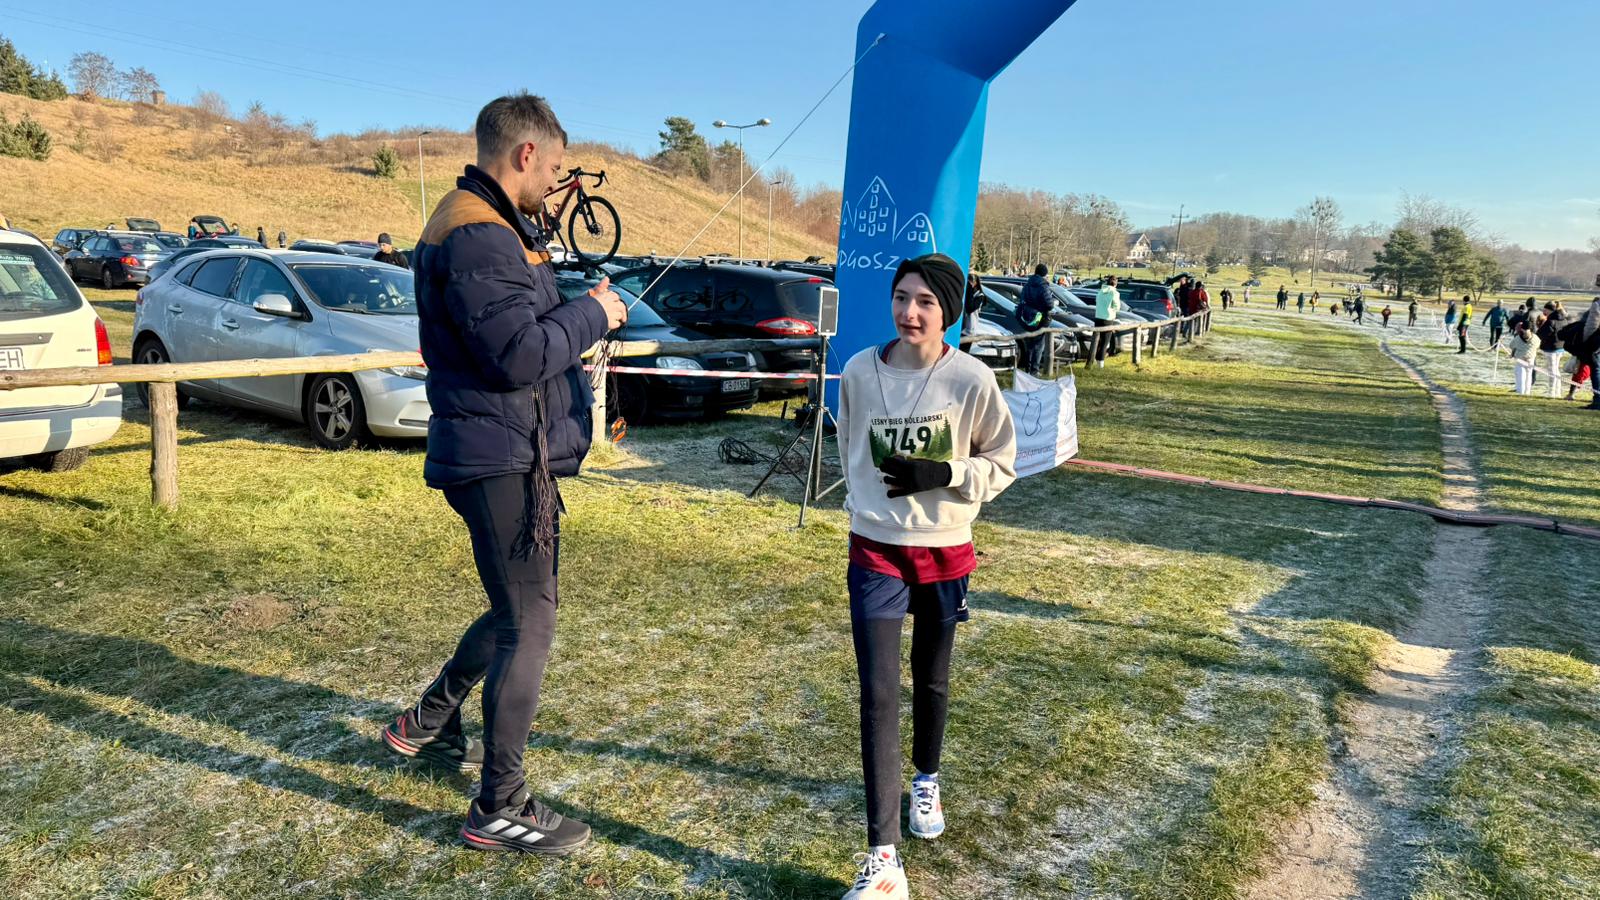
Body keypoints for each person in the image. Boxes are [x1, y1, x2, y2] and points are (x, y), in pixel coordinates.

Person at [380, 92, 628, 856]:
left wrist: (580, 309)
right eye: (554, 169)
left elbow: (524, 330)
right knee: (530, 620)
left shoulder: (495, 225)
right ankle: (500, 803)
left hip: (510, 449)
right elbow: (519, 355)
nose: (556, 183)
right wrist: (595, 315)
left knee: (516, 606)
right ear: (526, 155)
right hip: (499, 455)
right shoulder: (477, 235)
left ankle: (430, 718)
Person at [835, 253, 1016, 900]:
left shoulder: (970, 379)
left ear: (948, 312)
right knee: (879, 695)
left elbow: (1003, 461)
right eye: (900, 297)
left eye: (925, 302)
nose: (908, 312)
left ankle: (926, 780)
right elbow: (848, 446)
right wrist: (871, 505)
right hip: (876, 550)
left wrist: (945, 473)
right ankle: (882, 857)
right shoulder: (859, 371)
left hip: (944, 552)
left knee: (931, 679)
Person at [1017, 263, 1055, 375]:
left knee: (1029, 344)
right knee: (1038, 345)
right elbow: (1049, 304)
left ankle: (1028, 369)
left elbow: (1022, 300)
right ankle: (1034, 370)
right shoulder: (1043, 286)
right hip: (1040, 318)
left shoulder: (1027, 285)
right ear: (1044, 274)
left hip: (1028, 317)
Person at [1536, 301, 1568, 398]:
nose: (1544, 312)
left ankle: (1551, 392)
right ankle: (1557, 391)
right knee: (1556, 369)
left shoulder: (1551, 321)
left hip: (1551, 348)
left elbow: (1541, 334)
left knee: (1552, 371)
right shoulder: (1563, 319)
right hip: (1560, 347)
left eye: (1545, 310)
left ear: (1549, 310)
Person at [1093, 274, 1122, 368]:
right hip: (1108, 318)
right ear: (1115, 283)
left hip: (1098, 317)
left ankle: (1093, 359)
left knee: (1097, 340)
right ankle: (1100, 363)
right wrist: (1112, 309)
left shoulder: (1100, 291)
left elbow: (1097, 302)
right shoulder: (1115, 293)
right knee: (1105, 342)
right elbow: (1117, 306)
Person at [1508, 321, 1536, 395]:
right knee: (1529, 375)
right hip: (1531, 358)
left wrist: (1512, 354)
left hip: (1520, 358)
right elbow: (1538, 345)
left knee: (1521, 375)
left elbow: (1512, 346)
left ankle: (1520, 391)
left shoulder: (1518, 338)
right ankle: (1527, 392)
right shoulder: (1535, 337)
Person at [960, 271, 985, 339]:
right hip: (961, 327)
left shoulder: (980, 296)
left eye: (969, 283)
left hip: (969, 329)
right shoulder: (965, 293)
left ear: (975, 283)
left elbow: (970, 308)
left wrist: (970, 289)